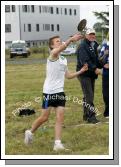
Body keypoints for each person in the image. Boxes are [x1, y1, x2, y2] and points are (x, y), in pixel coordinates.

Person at [24, 34, 88, 151]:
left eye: (60, 41)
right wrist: (71, 40)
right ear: (52, 46)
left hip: (60, 92)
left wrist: (81, 71)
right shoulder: (52, 55)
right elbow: (61, 48)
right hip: (49, 93)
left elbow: (68, 76)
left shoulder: (63, 59)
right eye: (57, 42)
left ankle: (57, 144)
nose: (59, 42)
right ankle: (30, 132)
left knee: (60, 118)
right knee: (44, 118)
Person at [76, 28, 102, 124]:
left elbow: (97, 59)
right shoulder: (82, 46)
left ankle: (86, 115)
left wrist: (103, 64)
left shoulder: (95, 45)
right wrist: (95, 69)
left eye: (93, 34)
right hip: (83, 74)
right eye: (90, 34)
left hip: (91, 74)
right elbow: (85, 61)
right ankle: (91, 117)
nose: (92, 36)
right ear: (86, 35)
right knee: (89, 96)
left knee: (87, 96)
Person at [98, 39, 109, 118]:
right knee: (106, 94)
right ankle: (108, 112)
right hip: (107, 73)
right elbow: (100, 61)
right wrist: (105, 55)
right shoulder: (105, 46)